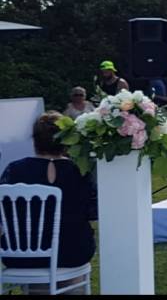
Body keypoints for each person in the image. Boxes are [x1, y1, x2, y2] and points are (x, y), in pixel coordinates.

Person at [0, 111, 97, 287]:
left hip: (20, 256)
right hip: (72, 253)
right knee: (73, 243)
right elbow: (93, 212)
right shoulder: (79, 170)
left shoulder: (14, 170)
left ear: (35, 139)